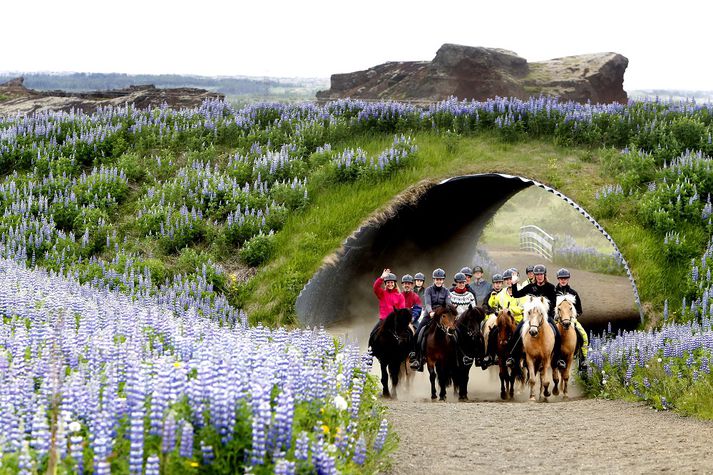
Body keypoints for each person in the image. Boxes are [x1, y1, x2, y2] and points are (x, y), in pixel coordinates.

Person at [507, 264, 566, 370]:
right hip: (531, 316)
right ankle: (512, 357)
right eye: (537, 274)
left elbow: (553, 304)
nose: (539, 276)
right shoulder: (531, 287)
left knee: (557, 334)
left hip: (545, 316)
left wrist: (542, 308)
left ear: (544, 275)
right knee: (517, 331)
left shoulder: (551, 287)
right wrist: (514, 283)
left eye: (541, 274)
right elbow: (516, 294)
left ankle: (558, 359)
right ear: (534, 276)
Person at [481, 270, 526, 368]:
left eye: (511, 279)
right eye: (507, 280)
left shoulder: (522, 291)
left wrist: (510, 310)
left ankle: (525, 356)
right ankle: (489, 355)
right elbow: (492, 304)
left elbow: (522, 308)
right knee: (492, 332)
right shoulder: (501, 293)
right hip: (503, 320)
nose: (509, 281)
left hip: (517, 320)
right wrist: (492, 298)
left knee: (524, 333)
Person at [410, 268, 451, 371]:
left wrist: (443, 313)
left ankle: (453, 357)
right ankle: (417, 357)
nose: (438, 281)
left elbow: (447, 304)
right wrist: (430, 312)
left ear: (443, 280)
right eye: (437, 279)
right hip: (430, 315)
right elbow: (427, 303)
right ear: (434, 279)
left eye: (440, 279)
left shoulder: (446, 291)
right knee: (418, 333)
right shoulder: (428, 290)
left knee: (454, 333)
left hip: (442, 316)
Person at [555, 268, 589, 371]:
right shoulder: (554, 292)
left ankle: (583, 359)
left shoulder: (573, 293)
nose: (563, 280)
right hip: (557, 319)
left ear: (568, 279)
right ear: (558, 279)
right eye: (561, 278)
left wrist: (573, 316)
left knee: (583, 335)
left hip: (571, 319)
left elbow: (579, 310)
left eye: (565, 278)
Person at [370, 269, 406, 343]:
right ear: (385, 284)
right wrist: (382, 277)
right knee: (372, 334)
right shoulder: (382, 293)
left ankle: (410, 352)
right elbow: (375, 287)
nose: (390, 284)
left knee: (407, 335)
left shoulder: (400, 296)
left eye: (392, 282)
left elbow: (402, 310)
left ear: (395, 283)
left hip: (395, 322)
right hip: (383, 320)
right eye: (388, 282)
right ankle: (370, 351)